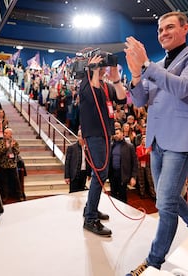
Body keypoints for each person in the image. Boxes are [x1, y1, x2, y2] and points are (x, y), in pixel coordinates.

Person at [124, 11, 188, 274]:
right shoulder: (157, 65)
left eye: (169, 27)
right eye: (160, 29)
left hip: (182, 139)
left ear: (185, 28)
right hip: (157, 139)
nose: (163, 33)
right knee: (168, 196)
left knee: (164, 203)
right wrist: (135, 77)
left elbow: (183, 87)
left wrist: (145, 67)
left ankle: (154, 261)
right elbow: (141, 101)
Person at [79, 49, 127, 237]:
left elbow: (122, 99)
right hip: (94, 135)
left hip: (105, 134)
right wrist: (93, 71)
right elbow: (91, 95)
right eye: (101, 64)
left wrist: (115, 78)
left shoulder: (107, 86)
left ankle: (90, 208)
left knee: (99, 173)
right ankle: (90, 219)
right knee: (100, 174)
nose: (104, 68)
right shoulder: (85, 83)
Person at [108, 127, 138, 203]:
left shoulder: (129, 146)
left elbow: (134, 162)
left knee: (122, 196)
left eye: (117, 133)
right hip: (112, 174)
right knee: (113, 195)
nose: (115, 135)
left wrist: (133, 177)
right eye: (114, 134)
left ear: (122, 134)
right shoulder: (111, 146)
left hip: (123, 175)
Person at [0, 128, 24, 201]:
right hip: (3, 164)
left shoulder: (14, 142)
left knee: (16, 181)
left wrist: (13, 147)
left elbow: (18, 152)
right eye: (4, 133)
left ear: (10, 134)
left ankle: (19, 195)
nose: (4, 134)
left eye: (6, 133)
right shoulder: (1, 141)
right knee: (4, 181)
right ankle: (5, 196)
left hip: (12, 165)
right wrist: (7, 147)